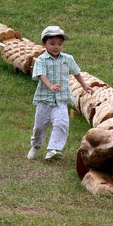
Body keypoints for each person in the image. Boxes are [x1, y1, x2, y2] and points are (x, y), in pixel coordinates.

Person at [27, 26, 94, 161]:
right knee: (40, 126)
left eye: (60, 44)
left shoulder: (67, 59)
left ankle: (53, 150)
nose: (56, 47)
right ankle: (36, 146)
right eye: (52, 44)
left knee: (61, 123)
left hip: (61, 99)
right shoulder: (41, 60)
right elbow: (41, 75)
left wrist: (85, 86)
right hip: (44, 99)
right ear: (43, 44)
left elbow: (76, 73)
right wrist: (50, 86)